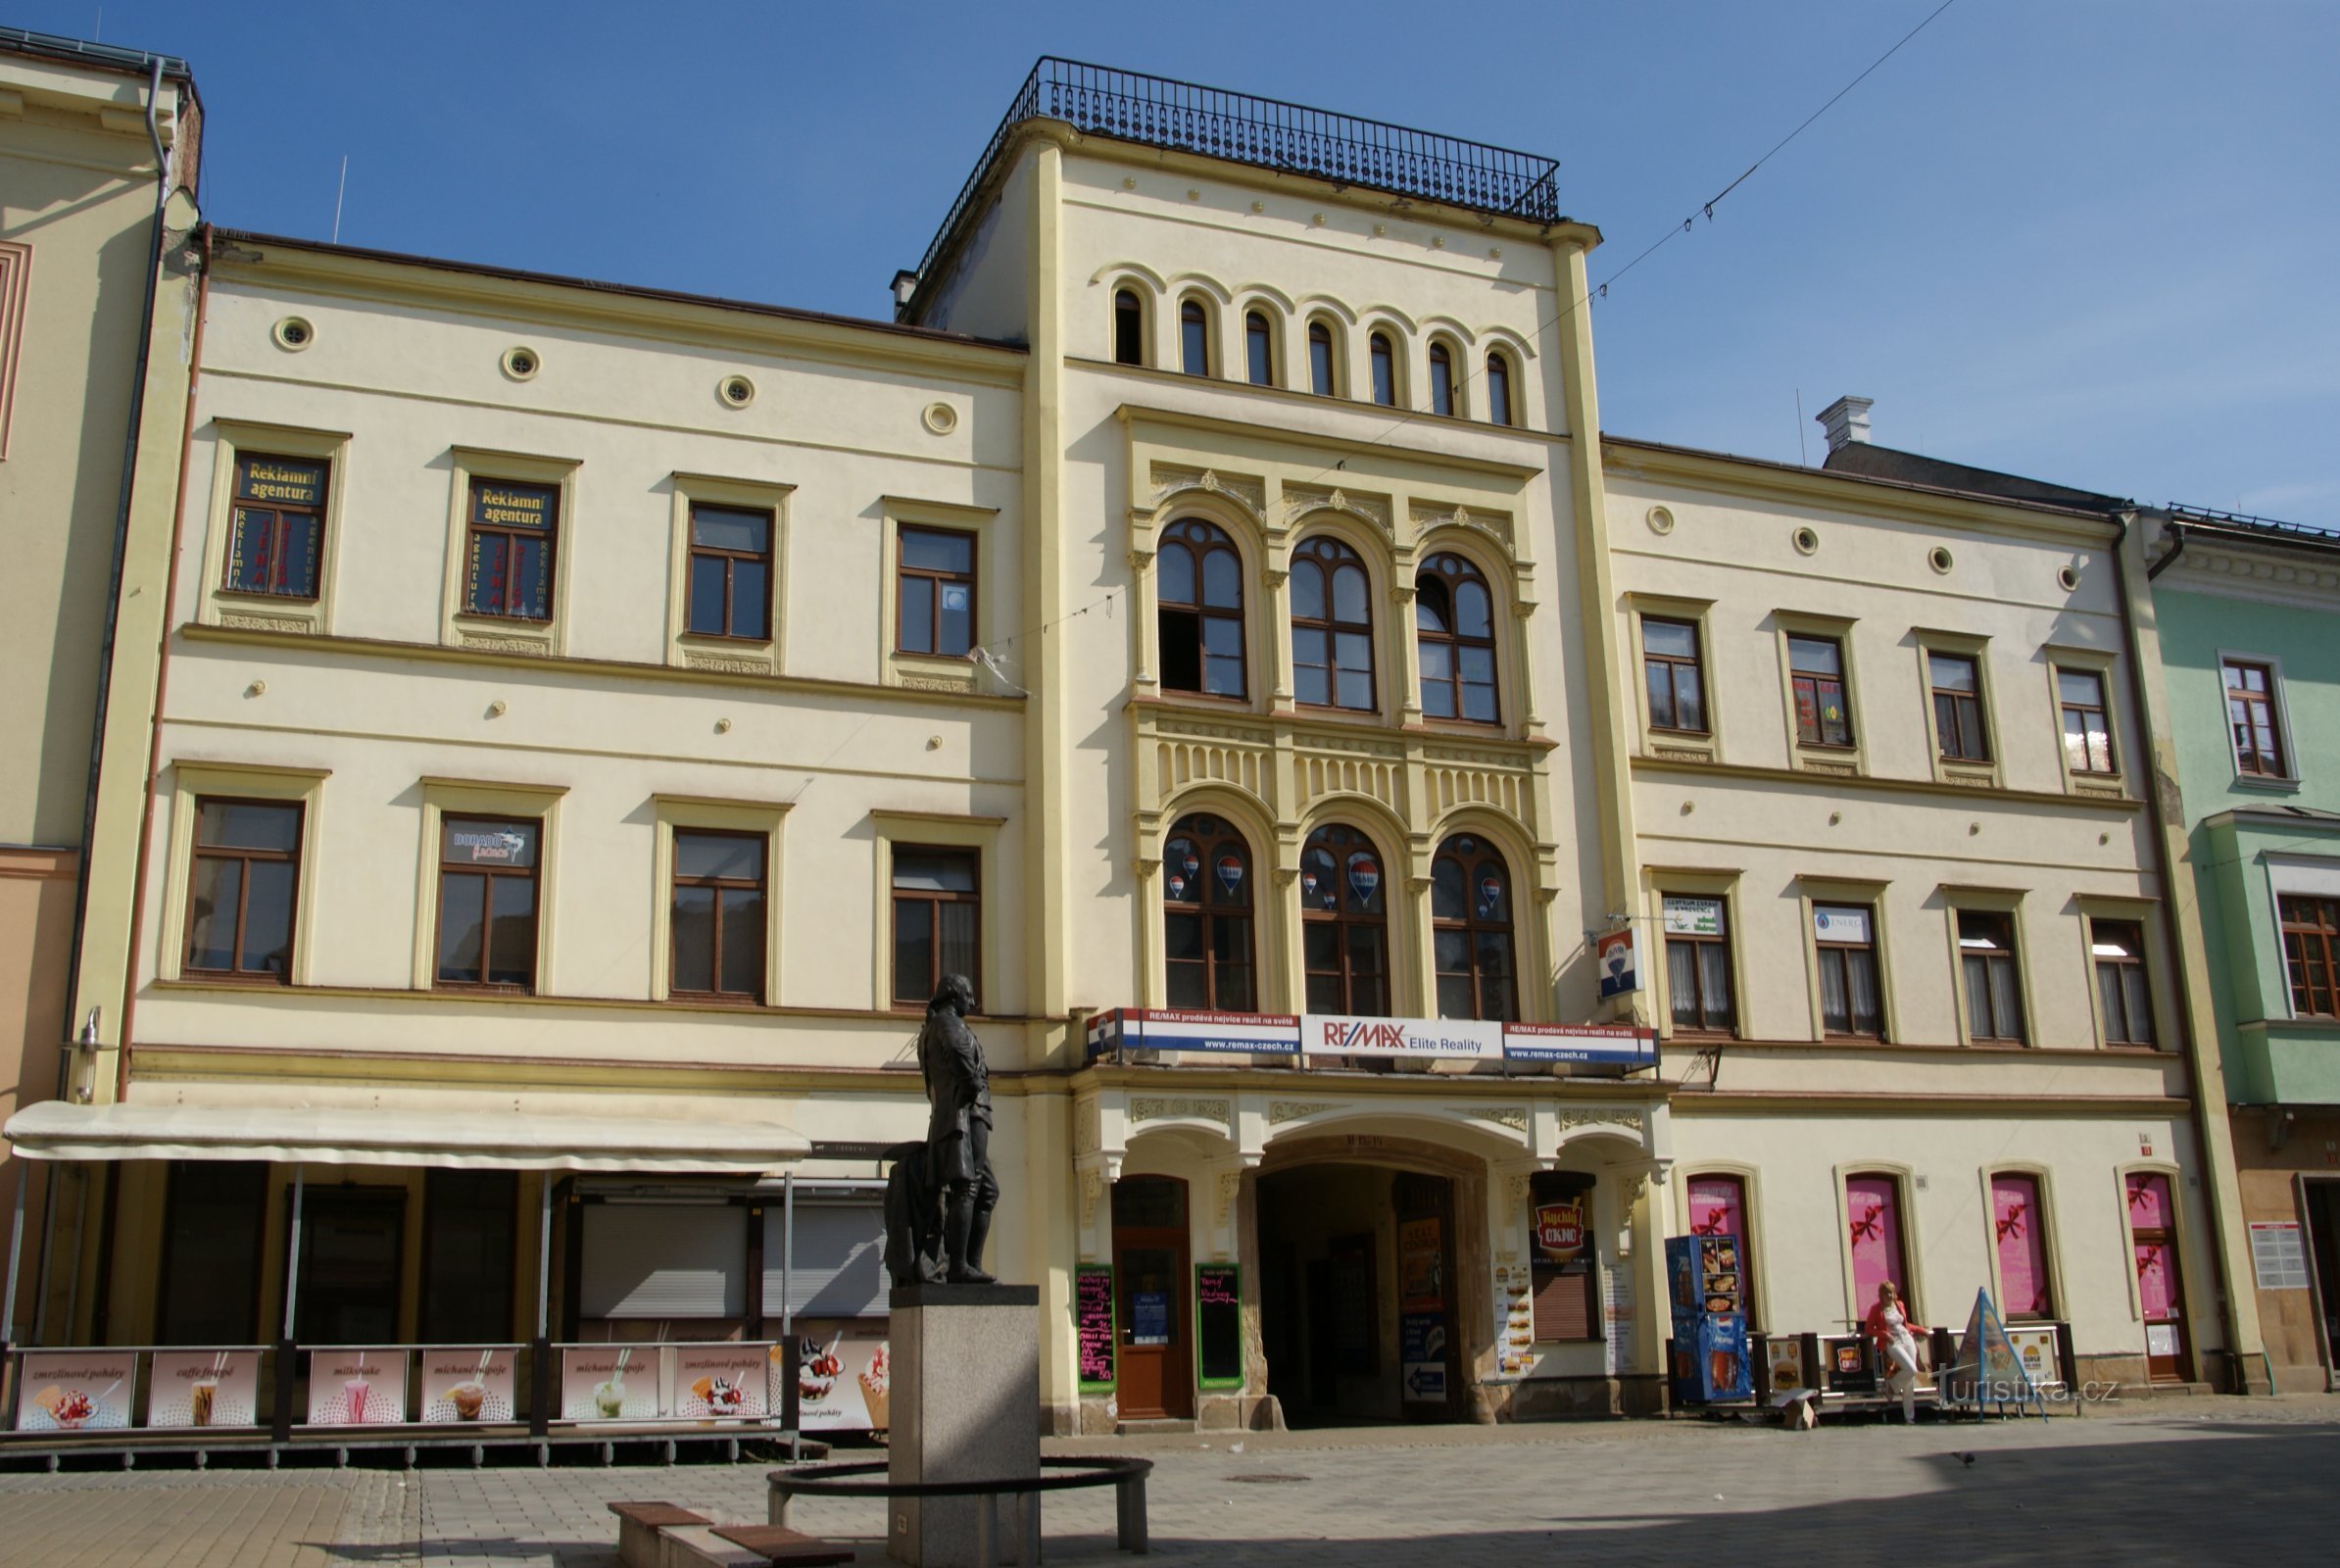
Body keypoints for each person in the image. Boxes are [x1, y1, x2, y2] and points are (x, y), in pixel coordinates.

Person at [916, 973, 999, 1284]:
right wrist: (972, 1082)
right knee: (968, 1188)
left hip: (958, 1112)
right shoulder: (947, 1023)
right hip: (966, 1113)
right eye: (968, 994)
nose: (972, 1001)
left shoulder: (933, 1026)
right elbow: (958, 1052)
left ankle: (969, 1264)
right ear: (953, 995)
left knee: (987, 1191)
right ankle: (960, 1267)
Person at [1864, 1281, 1925, 1424]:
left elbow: (1905, 1325)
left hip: (1906, 1338)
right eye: (1886, 1293)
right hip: (1892, 1342)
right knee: (1911, 1369)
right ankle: (1892, 1386)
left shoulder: (1899, 1305)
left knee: (1909, 1380)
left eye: (1891, 1292)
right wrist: (1884, 1334)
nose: (1889, 1296)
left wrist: (1920, 1329)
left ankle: (1909, 1416)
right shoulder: (1876, 1309)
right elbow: (1868, 1329)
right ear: (1881, 1295)